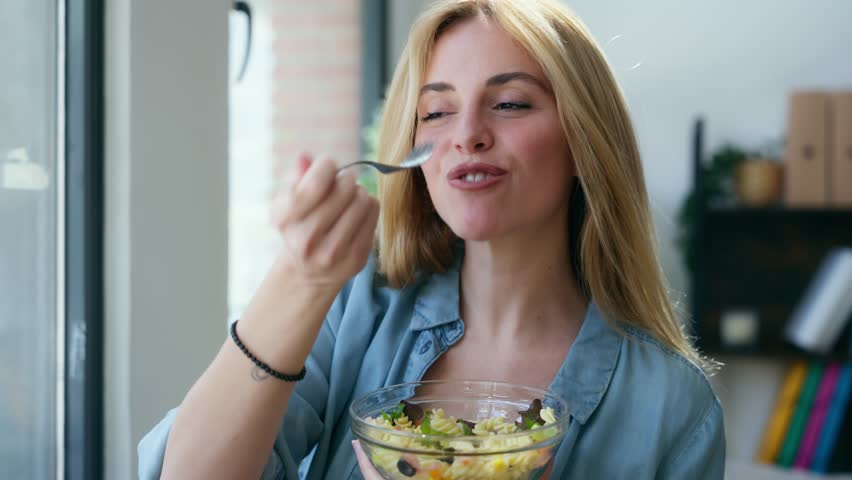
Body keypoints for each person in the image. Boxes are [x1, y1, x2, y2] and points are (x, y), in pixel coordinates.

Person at [139, 0, 725, 478]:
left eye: (509, 103)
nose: (467, 134)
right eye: (437, 112)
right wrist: (298, 277)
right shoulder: (354, 308)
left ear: (583, 142)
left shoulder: (674, 407)